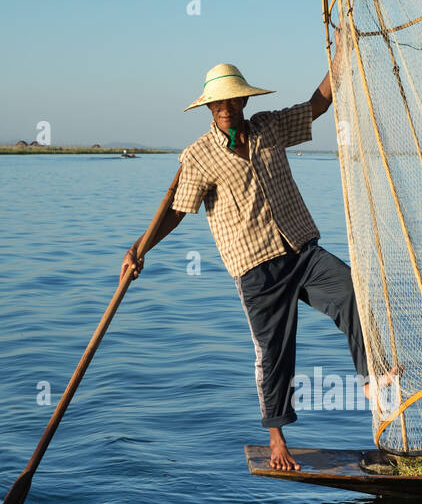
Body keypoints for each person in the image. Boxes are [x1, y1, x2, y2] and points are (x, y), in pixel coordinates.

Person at [120, 49, 369, 472]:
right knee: (273, 351)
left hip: (301, 249)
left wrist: (339, 61)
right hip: (256, 266)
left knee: (353, 293)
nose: (225, 109)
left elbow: (318, 104)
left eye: (232, 101)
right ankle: (276, 438)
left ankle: (373, 381)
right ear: (208, 108)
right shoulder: (197, 156)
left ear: (244, 102)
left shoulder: (269, 127)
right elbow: (178, 211)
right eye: (217, 103)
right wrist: (140, 248)